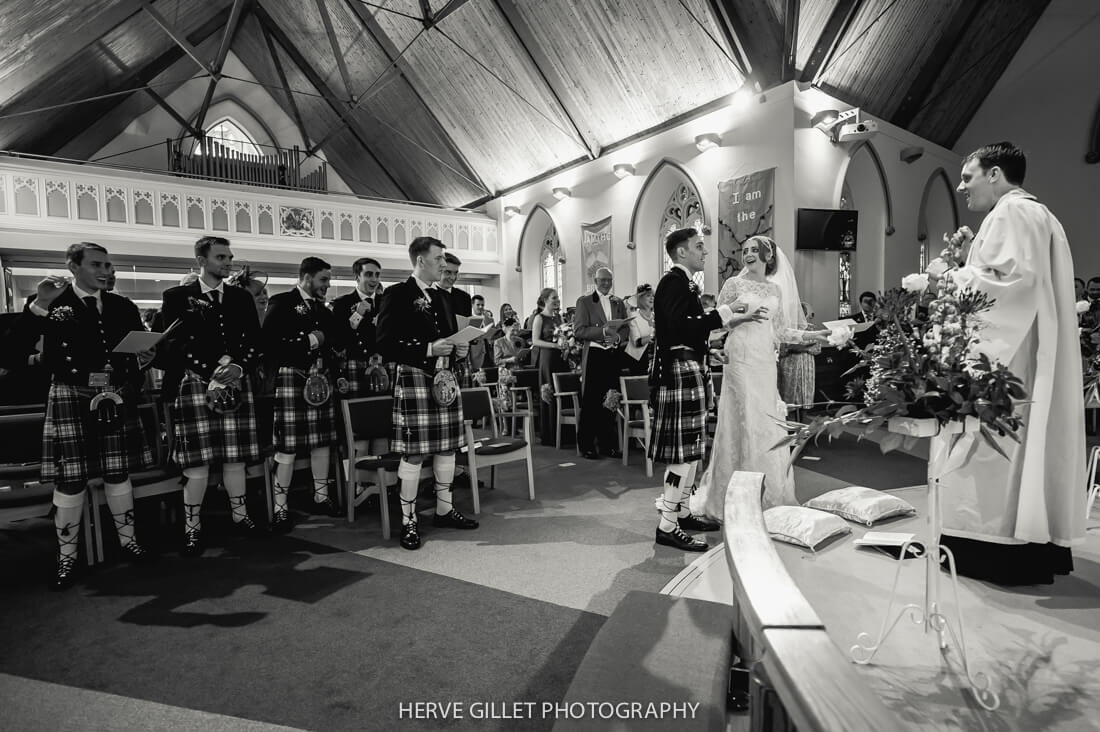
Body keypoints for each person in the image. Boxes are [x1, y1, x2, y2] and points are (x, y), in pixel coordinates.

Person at [937, 141, 1084, 585]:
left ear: (995, 174)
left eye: (969, 177)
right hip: (1024, 351)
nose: (963, 187)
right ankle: (1032, 545)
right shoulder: (1042, 215)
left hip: (1008, 358)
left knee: (991, 456)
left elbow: (1010, 283)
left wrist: (948, 277)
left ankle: (990, 549)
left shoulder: (1011, 213)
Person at [19, 242, 156, 589]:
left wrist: (142, 360)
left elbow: (134, 352)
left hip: (113, 395)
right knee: (71, 478)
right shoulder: (51, 304)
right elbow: (15, 348)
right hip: (69, 390)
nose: (106, 271)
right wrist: (40, 305)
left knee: (117, 471)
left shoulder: (122, 305)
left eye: (108, 265)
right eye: (97, 264)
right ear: (73, 266)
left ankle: (129, 543)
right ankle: (67, 557)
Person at [693, 235, 827, 520]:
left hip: (765, 363)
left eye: (755, 250)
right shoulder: (734, 285)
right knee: (744, 422)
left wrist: (813, 335)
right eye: (745, 250)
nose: (749, 254)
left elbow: (781, 333)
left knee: (766, 423)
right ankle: (735, 499)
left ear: (768, 256)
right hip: (739, 360)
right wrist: (738, 320)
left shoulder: (776, 291)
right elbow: (715, 325)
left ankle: (769, 494)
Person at [157, 236, 264, 555]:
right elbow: (172, 344)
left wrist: (240, 367)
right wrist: (210, 369)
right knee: (197, 463)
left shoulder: (240, 297)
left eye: (229, 256)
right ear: (201, 260)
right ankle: (192, 528)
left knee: (235, 456)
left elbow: (253, 340)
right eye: (220, 257)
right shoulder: (177, 295)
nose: (228, 262)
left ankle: (240, 516)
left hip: (234, 382)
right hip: (194, 381)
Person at [376, 236, 477, 550]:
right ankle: (409, 521)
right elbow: (384, 343)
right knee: (415, 451)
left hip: (444, 378)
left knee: (447, 448)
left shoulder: (444, 298)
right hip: (416, 376)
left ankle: (444, 510)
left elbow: (448, 337)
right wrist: (428, 348)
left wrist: (460, 348)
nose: (444, 265)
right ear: (420, 260)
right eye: (439, 259)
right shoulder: (397, 294)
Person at [648, 229, 737, 551]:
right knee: (682, 454)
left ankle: (682, 512)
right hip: (679, 374)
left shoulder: (682, 283)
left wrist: (706, 351)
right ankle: (667, 524)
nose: (705, 252)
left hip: (689, 368)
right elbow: (681, 327)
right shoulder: (673, 281)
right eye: (699, 247)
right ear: (681, 252)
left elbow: (681, 331)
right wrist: (726, 314)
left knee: (692, 449)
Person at [263, 257, 341, 531]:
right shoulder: (282, 302)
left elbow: (334, 338)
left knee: (322, 442)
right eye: (323, 279)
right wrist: (310, 340)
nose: (327, 285)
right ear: (307, 277)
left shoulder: (323, 309)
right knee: (288, 446)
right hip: (292, 377)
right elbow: (269, 342)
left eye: (328, 280)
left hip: (321, 380)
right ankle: (280, 507)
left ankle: (321, 497)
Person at [573, 267, 630, 459]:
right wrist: (603, 333)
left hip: (612, 355)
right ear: (595, 281)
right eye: (603, 280)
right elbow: (579, 330)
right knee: (591, 402)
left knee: (610, 400)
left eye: (609, 280)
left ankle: (608, 444)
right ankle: (587, 445)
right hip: (595, 355)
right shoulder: (585, 302)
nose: (606, 283)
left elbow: (625, 329)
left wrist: (616, 338)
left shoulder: (618, 302)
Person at [530, 288, 565, 447]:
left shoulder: (559, 317)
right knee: (549, 390)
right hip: (547, 358)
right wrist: (554, 345)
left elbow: (564, 334)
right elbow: (535, 341)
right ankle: (549, 433)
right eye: (554, 298)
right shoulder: (539, 317)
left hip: (560, 358)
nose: (557, 300)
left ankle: (562, 432)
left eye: (557, 297)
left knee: (560, 391)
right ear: (545, 300)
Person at [778, 302, 822, 413]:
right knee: (789, 396)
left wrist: (805, 348)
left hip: (806, 364)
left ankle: (802, 420)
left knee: (804, 397)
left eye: (803, 313)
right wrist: (790, 347)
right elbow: (780, 349)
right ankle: (789, 420)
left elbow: (818, 349)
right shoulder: (786, 329)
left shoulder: (811, 328)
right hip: (790, 363)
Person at [625, 284, 655, 376]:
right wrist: (653, 336)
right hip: (637, 358)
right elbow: (636, 342)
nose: (652, 298)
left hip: (653, 356)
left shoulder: (656, 315)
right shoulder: (633, 316)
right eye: (648, 295)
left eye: (653, 296)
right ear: (640, 299)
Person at [468, 294, 494, 370]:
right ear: (472, 305)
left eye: (482, 305)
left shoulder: (489, 319)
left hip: (489, 352)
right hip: (476, 354)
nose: (480, 307)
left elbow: (494, 335)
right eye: (478, 305)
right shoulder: (469, 320)